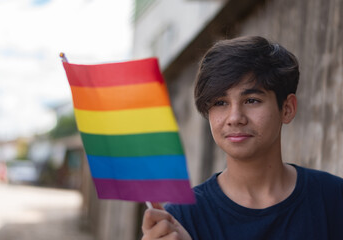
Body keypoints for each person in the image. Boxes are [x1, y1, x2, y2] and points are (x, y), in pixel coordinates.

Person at [141, 36, 343, 240]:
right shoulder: (180, 221)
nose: (235, 118)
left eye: (252, 100)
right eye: (220, 103)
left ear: (287, 109)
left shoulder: (333, 198)